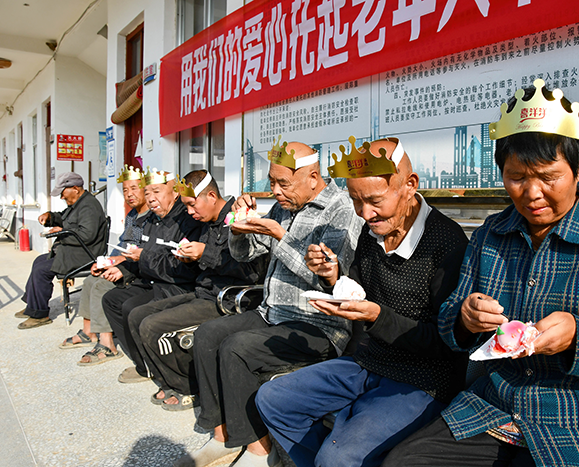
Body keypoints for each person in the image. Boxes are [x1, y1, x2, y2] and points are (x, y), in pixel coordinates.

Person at [381, 80, 579, 467]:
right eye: (516, 177)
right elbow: (448, 321)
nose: (532, 193)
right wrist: (465, 317)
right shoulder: (491, 236)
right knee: (404, 462)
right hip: (494, 409)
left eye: (548, 177)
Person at [256, 136, 469, 467]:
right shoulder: (373, 233)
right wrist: (333, 276)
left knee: (340, 454)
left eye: (375, 200)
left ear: (409, 185)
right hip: (370, 360)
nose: (365, 213)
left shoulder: (445, 242)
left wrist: (376, 317)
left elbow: (448, 342)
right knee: (273, 399)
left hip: (423, 378)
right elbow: (360, 290)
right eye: (356, 201)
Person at [174, 140, 363, 467]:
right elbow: (246, 254)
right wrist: (238, 227)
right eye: (271, 182)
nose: (274, 191)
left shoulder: (342, 211)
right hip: (272, 312)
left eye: (282, 184)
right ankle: (222, 436)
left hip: (319, 324)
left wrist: (280, 235)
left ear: (313, 177)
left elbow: (330, 280)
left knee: (236, 348)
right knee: (207, 336)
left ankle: (260, 450)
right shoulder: (284, 205)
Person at [126, 170, 267, 410]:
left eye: (192, 205)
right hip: (202, 292)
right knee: (137, 315)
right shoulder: (205, 221)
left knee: (152, 326)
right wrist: (189, 257)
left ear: (211, 196)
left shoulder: (239, 217)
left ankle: (188, 387)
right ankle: (172, 379)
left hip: (225, 298)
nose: (190, 213)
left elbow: (253, 271)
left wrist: (205, 253)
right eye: (187, 207)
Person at [102, 168, 203, 384]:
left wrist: (143, 258)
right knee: (111, 300)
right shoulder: (149, 220)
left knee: (132, 308)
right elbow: (138, 255)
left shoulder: (186, 221)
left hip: (176, 285)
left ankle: (157, 368)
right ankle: (144, 362)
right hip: (152, 280)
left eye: (156, 192)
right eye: (147, 193)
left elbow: (183, 268)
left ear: (175, 192)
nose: (150, 198)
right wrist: (123, 269)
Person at [57, 166, 150, 365]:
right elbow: (124, 245)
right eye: (125, 190)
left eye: (134, 188)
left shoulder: (152, 217)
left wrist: (118, 264)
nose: (129, 194)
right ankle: (89, 331)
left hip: (138, 269)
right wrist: (105, 262)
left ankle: (107, 344)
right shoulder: (133, 216)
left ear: (145, 189)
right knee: (92, 280)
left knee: (102, 285)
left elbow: (142, 252)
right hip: (124, 262)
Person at [16, 172, 107, 329]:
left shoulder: (88, 206)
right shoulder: (77, 203)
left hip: (86, 253)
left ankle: (40, 314)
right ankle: (33, 305)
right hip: (75, 250)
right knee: (39, 261)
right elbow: (64, 218)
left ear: (75, 188)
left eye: (63, 193)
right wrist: (50, 217)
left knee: (42, 270)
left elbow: (87, 235)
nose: (62, 197)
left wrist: (62, 232)